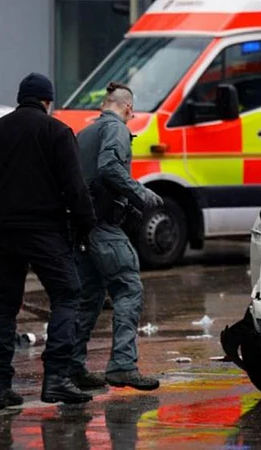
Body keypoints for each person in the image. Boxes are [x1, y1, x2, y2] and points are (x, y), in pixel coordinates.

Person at [0, 73, 96, 409]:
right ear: (48, 101)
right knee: (67, 295)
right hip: (45, 231)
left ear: (21, 98)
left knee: (5, 306)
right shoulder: (56, 131)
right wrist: (86, 226)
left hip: (3, 234)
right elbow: (75, 187)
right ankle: (57, 377)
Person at [70, 82, 163, 391]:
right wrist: (140, 193)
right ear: (127, 108)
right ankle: (123, 365)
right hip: (104, 226)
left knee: (89, 297)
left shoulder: (85, 134)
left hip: (82, 228)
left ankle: (72, 367)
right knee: (128, 288)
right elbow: (109, 167)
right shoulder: (117, 129)